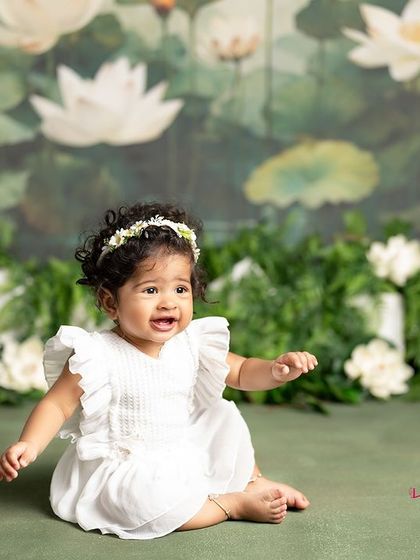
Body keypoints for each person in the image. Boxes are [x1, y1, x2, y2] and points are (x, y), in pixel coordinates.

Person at [0, 202, 318, 539]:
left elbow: (240, 373)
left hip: (182, 447)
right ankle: (231, 504)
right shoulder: (96, 355)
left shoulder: (191, 343)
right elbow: (57, 405)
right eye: (150, 290)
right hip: (129, 467)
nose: (168, 302)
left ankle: (255, 481)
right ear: (110, 303)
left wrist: (276, 370)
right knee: (143, 502)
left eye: (180, 289)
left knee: (224, 420)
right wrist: (29, 444)